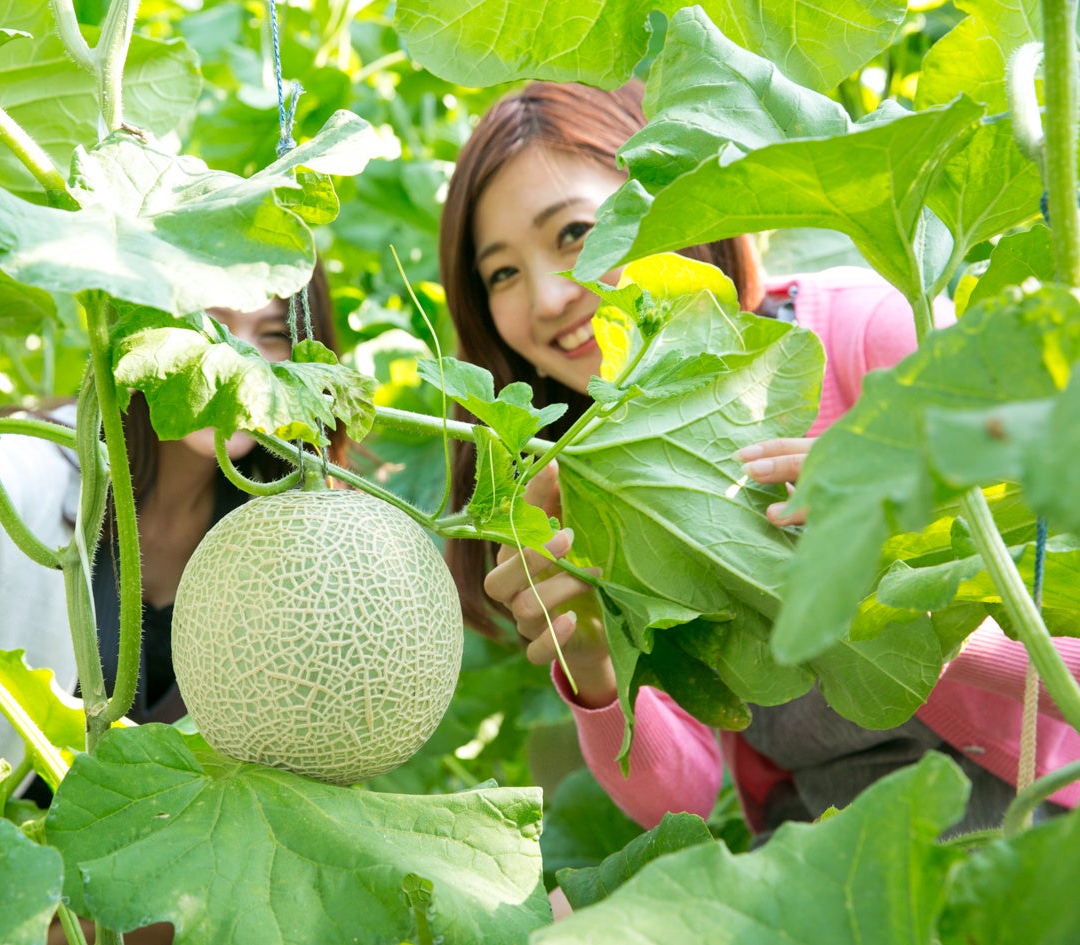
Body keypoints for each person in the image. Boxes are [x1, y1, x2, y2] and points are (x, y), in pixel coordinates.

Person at [439, 80, 1080, 838]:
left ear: (673, 205)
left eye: (574, 232)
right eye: (502, 273)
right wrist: (594, 664)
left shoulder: (869, 330)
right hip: (824, 853)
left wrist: (914, 599)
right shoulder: (585, 489)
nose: (547, 298)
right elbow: (678, 801)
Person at [0, 269, 347, 814]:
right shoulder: (26, 467)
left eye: (272, 337)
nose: (242, 362)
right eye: (212, 327)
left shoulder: (293, 531)